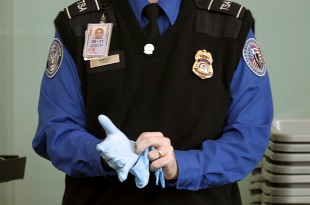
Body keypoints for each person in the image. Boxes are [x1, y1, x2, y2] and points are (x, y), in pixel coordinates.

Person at [32, 0, 273, 204]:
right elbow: (55, 130)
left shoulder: (230, 26)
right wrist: (103, 155)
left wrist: (182, 165)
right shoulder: (79, 23)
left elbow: (248, 137)